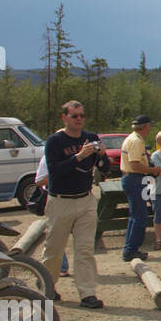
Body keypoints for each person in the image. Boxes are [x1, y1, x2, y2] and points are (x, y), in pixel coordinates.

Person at [40, 100, 111, 308]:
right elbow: (55, 171)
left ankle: (87, 293)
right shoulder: (55, 141)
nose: (79, 119)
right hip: (61, 200)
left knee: (85, 249)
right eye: (74, 116)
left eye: (81, 115)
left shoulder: (91, 137)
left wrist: (101, 154)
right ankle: (47, 286)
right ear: (65, 118)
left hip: (85, 199)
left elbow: (104, 168)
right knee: (54, 248)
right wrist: (79, 156)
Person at [119, 114, 157, 263]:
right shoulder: (136, 141)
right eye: (149, 125)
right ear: (145, 126)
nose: (150, 128)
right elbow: (135, 164)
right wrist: (152, 171)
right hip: (135, 178)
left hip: (134, 178)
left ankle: (130, 248)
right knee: (140, 216)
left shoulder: (134, 138)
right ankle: (131, 250)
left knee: (135, 215)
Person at [34, 152, 70, 276]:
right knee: (56, 233)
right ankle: (61, 267)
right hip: (56, 199)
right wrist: (60, 176)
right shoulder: (48, 157)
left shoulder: (77, 155)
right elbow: (39, 180)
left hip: (77, 199)